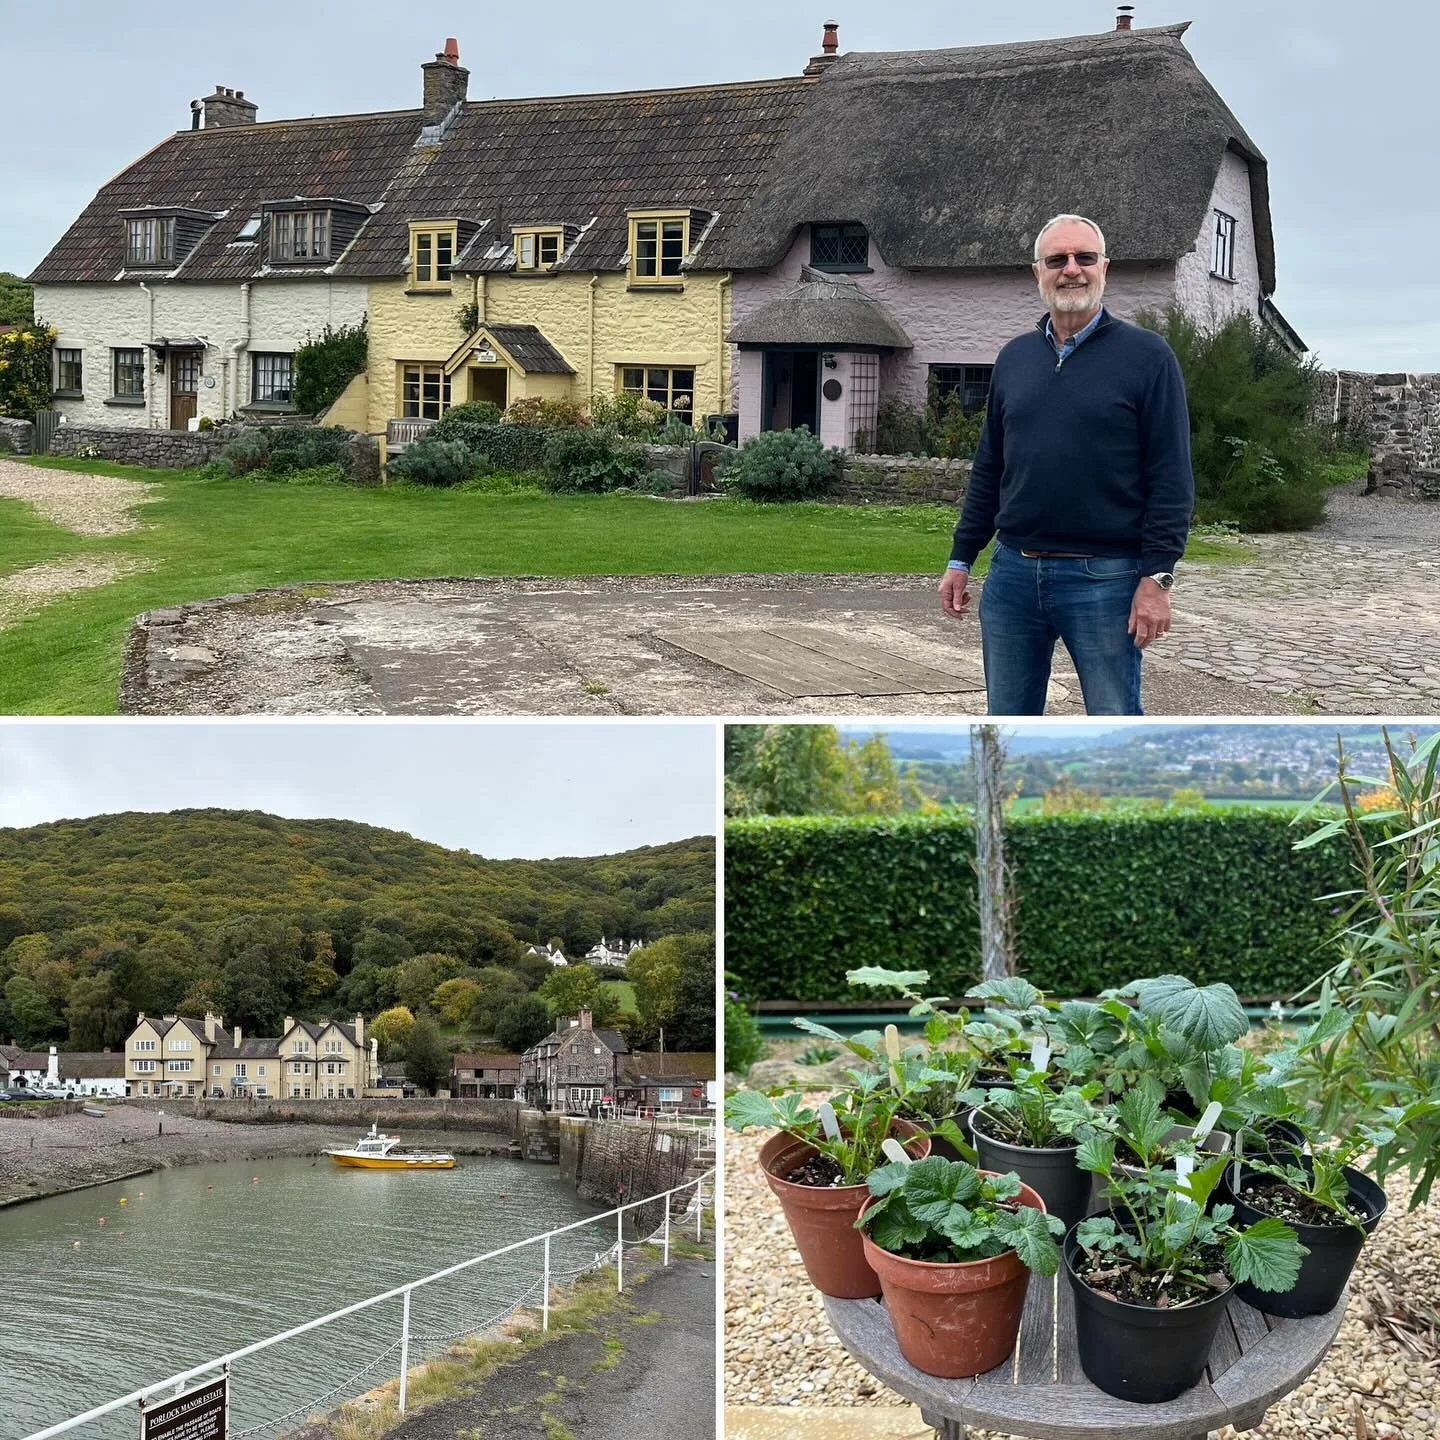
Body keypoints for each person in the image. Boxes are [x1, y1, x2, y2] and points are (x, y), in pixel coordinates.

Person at [938, 213, 1194, 715]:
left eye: (1084, 258)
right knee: (1006, 727)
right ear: (1038, 272)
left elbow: (1172, 476)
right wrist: (961, 557)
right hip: (1013, 576)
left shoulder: (1148, 357)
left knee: (1113, 722)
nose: (1071, 270)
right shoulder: (1014, 359)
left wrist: (1157, 578)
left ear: (1105, 268)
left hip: (1105, 580)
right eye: (1057, 260)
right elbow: (991, 466)